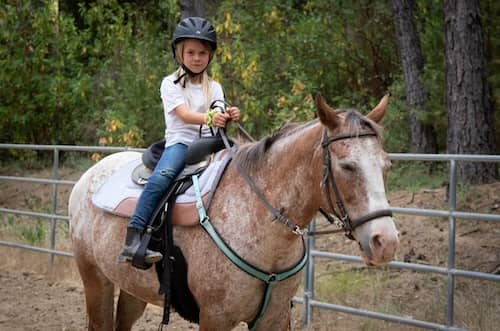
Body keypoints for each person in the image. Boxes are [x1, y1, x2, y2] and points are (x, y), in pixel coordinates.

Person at [118, 17, 240, 264]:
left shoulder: (214, 87)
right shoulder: (170, 84)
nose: (197, 58)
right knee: (161, 178)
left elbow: (218, 108)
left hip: (210, 144)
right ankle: (134, 235)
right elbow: (184, 115)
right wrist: (210, 117)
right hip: (181, 145)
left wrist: (228, 114)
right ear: (180, 54)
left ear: (210, 56)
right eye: (191, 52)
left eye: (202, 53)